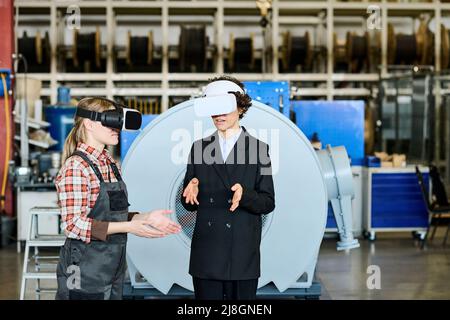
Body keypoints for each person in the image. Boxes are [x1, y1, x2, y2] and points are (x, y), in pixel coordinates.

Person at [55, 97, 181, 300]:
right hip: (83, 267)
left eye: (118, 122)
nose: (117, 128)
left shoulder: (110, 164)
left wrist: (144, 217)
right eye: (110, 121)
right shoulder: (77, 167)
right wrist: (129, 227)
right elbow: (73, 225)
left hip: (112, 265)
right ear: (88, 124)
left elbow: (113, 215)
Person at [182, 76, 275, 300]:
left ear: (241, 107)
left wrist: (245, 195)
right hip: (207, 252)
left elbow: (268, 202)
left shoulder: (259, 149)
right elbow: (188, 205)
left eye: (224, 107)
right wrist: (190, 189)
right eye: (213, 108)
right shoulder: (198, 148)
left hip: (242, 252)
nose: (218, 115)